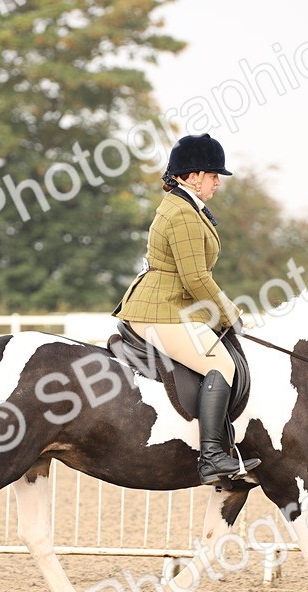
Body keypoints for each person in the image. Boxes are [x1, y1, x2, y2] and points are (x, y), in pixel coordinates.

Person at [113, 133, 260, 485]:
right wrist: (230, 315)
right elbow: (195, 278)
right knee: (220, 363)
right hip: (157, 311)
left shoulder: (187, 207)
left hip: (169, 306)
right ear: (192, 175)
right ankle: (211, 457)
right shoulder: (182, 213)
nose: (217, 183)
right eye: (213, 176)